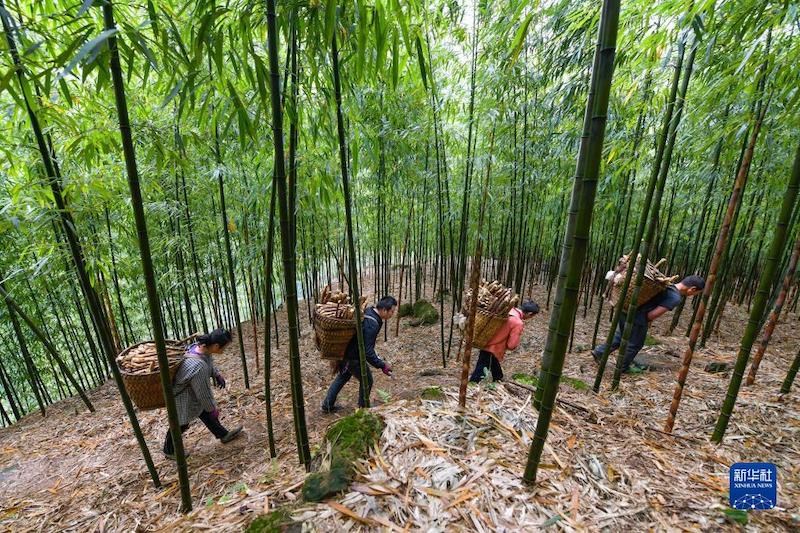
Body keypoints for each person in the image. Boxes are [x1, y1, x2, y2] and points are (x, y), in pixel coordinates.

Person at [592, 275, 705, 373]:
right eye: (696, 293)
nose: (693, 295)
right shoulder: (675, 297)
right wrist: (645, 321)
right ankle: (621, 368)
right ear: (692, 289)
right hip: (638, 317)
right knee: (634, 344)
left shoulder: (666, 285)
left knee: (621, 335)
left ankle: (600, 352)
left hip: (625, 309)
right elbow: (653, 315)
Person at [163, 328, 243, 459]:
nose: (224, 351)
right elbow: (203, 394)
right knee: (181, 423)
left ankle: (223, 435)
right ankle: (169, 450)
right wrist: (212, 409)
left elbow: (208, 361)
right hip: (183, 395)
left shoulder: (200, 347)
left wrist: (216, 374)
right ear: (216, 346)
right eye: (224, 348)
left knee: (204, 414)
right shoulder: (198, 366)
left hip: (190, 390)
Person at [321, 296, 397, 413]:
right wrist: (382, 365)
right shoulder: (372, 324)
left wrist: (379, 362)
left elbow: (368, 347)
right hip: (353, 357)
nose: (392, 314)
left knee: (343, 376)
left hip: (345, 351)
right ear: (384, 310)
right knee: (367, 380)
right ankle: (363, 408)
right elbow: (368, 352)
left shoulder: (369, 311)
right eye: (392, 311)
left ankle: (327, 405)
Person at [469, 300, 540, 383]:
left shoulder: (506, 310)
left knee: (495, 369)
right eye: (531, 316)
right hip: (494, 348)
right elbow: (512, 345)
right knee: (480, 372)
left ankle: (499, 380)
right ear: (530, 313)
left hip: (485, 342)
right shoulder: (517, 323)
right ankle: (471, 386)